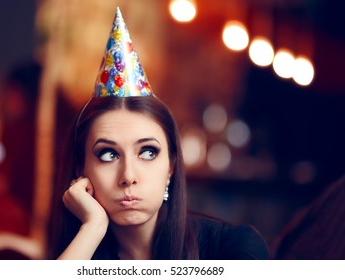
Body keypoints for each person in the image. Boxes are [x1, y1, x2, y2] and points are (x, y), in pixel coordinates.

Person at [48, 7, 269, 260]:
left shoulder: (233, 248)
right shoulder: (80, 252)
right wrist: (92, 227)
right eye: (108, 154)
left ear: (171, 166)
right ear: (81, 170)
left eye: (148, 152)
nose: (128, 176)